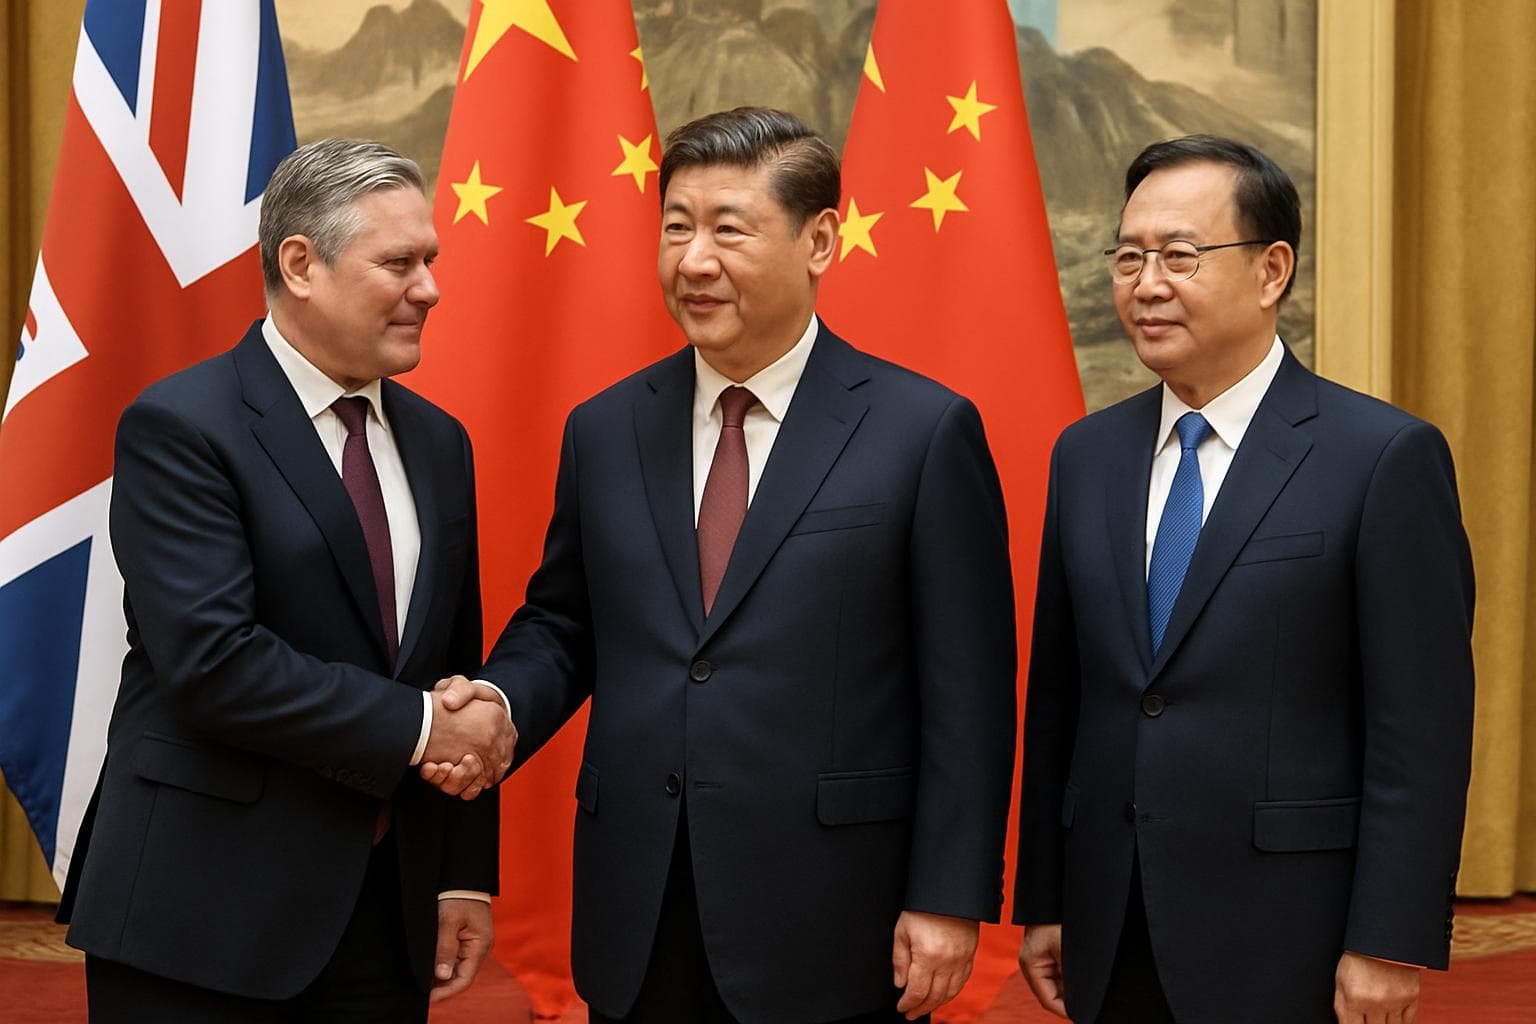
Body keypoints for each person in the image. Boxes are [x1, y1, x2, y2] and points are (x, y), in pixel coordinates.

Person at [444, 107, 1017, 1023]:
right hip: (640, 910)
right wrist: (501, 705)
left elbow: (970, 693)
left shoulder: (922, 432)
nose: (692, 261)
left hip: (835, 917)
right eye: (676, 226)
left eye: (728, 230)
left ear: (820, 239)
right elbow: (565, 622)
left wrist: (948, 896)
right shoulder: (607, 426)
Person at [1013, 134, 1475, 1024]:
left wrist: (1389, 937)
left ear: (1271, 271)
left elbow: (1421, 727)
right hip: (1113, 917)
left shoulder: (1380, 458)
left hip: (1291, 929)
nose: (1146, 284)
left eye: (1181, 256)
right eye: (1128, 257)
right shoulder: (1087, 456)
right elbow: (1063, 700)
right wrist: (1047, 896)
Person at [57, 138, 515, 1023]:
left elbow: (453, 661)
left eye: (431, 261)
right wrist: (427, 727)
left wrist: (462, 874)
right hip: (200, 919)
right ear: (300, 264)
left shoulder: (438, 441)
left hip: (385, 916)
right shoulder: (181, 427)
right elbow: (213, 664)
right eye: (399, 263)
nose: (430, 288)